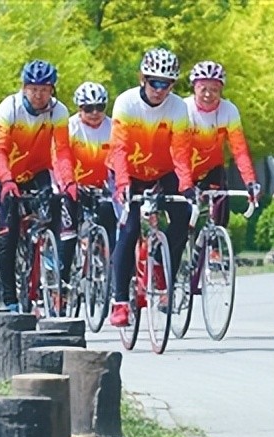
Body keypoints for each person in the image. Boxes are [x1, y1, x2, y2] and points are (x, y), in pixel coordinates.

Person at [107, 47, 194, 327]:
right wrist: (122, 184)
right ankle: (120, 300)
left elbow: (180, 151)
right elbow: (119, 148)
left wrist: (187, 184)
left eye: (166, 83)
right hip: (127, 172)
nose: (160, 89)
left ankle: (159, 260)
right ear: (142, 79)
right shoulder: (126, 103)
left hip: (162, 171)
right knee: (130, 228)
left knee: (183, 215)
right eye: (154, 82)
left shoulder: (178, 107)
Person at [0, 59, 76, 313]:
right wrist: (6, 179)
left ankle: (51, 268)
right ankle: (9, 297)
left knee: (57, 206)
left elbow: (63, 151)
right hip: (3, 174)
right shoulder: (9, 108)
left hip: (37, 171)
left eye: (45, 90)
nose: (39, 95)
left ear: (52, 90)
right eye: (34, 89)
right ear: (24, 88)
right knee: (9, 233)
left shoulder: (58, 112)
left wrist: (68, 181)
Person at [184, 60, 259, 228]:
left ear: (221, 90)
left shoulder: (229, 111)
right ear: (194, 88)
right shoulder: (184, 108)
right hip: (184, 168)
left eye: (214, 89)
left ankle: (214, 248)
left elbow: (239, 150)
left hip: (212, 168)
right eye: (203, 88)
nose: (208, 94)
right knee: (182, 220)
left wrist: (250, 182)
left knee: (220, 209)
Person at [66, 81, 117, 265]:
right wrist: (67, 183)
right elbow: (60, 158)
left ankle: (111, 266)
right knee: (67, 231)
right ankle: (62, 280)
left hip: (104, 187)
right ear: (80, 109)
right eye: (88, 108)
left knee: (112, 220)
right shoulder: (70, 127)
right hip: (75, 185)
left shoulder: (113, 127)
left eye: (100, 107)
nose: (95, 113)